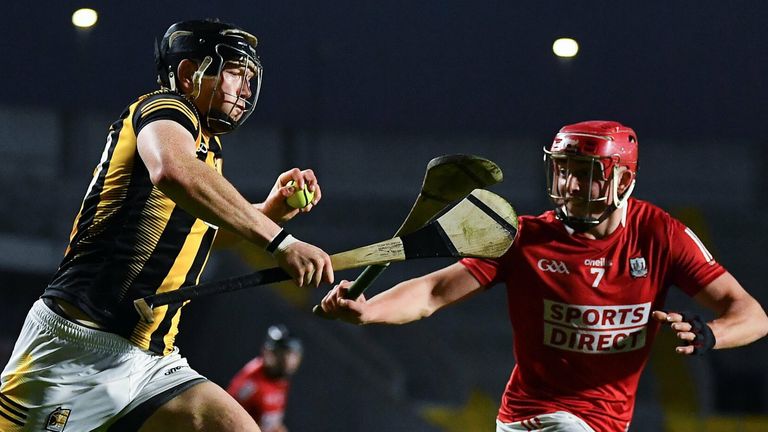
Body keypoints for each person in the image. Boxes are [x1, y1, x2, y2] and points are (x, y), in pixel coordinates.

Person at [320, 120, 768, 432]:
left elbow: (752, 315)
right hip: (538, 418)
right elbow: (434, 290)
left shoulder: (661, 235)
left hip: (607, 422)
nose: (570, 185)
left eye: (586, 174)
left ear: (623, 178)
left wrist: (711, 334)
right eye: (564, 171)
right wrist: (369, 310)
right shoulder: (525, 238)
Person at [0, 19, 333, 432]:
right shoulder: (165, 109)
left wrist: (269, 212)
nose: (245, 89)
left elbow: (198, 236)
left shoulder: (206, 148)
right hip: (75, 349)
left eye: (249, 77)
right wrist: (280, 241)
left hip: (152, 361)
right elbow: (172, 171)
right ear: (189, 74)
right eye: (233, 72)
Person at [227, 325, 303, 432]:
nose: (290, 361)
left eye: (293, 355)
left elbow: (272, 423)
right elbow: (227, 414)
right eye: (284, 354)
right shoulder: (252, 382)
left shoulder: (280, 380)